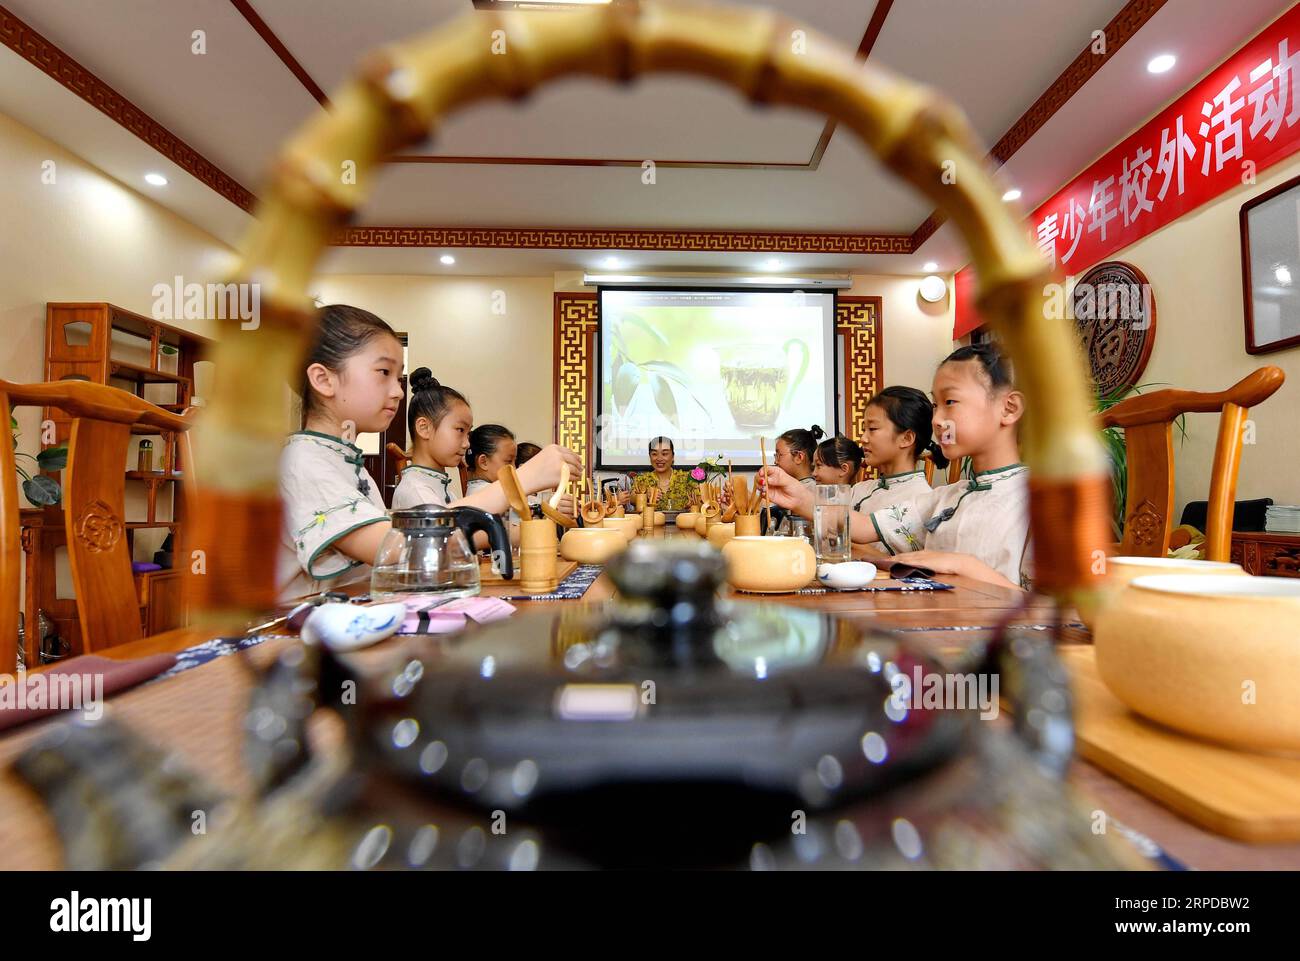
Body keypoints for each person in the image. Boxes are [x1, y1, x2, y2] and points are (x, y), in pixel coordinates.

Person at [279, 307, 579, 600]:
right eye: (383, 372)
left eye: (398, 377)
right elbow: (397, 546)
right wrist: (520, 480)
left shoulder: (342, 460)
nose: (398, 391)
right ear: (323, 380)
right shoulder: (303, 462)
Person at [760, 343, 1031, 589]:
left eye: (950, 402)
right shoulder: (947, 496)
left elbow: (1056, 612)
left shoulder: (1040, 500)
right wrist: (795, 494)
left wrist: (961, 565)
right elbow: (864, 527)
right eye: (936, 405)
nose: (937, 419)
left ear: (1008, 408)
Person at [849, 386, 942, 515]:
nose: (863, 438)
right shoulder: (860, 489)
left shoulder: (920, 500)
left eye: (872, 428)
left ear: (906, 438)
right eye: (864, 429)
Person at [628, 436, 699, 511]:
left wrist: (692, 506)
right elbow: (632, 498)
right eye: (654, 454)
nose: (659, 458)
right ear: (650, 457)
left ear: (673, 457)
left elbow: (701, 503)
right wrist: (644, 495)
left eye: (664, 454)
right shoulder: (642, 479)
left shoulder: (686, 478)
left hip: (682, 522)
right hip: (652, 522)